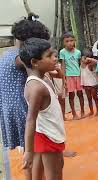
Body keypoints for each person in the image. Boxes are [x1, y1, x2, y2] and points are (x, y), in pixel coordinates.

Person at [0, 14, 50, 180]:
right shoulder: (22, 58)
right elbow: (38, 65)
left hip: (10, 107)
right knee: (33, 150)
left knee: (28, 148)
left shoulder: (8, 53)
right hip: (21, 108)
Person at [20, 38, 65, 180]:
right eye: (49, 56)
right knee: (55, 175)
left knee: (58, 167)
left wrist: (56, 69)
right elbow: (30, 119)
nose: (54, 58)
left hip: (50, 132)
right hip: (48, 136)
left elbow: (61, 76)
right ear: (34, 62)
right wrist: (28, 151)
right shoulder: (36, 87)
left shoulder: (43, 75)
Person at [60, 32, 87, 120]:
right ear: (63, 43)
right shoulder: (62, 52)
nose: (69, 43)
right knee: (71, 95)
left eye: (71, 41)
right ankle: (74, 114)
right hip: (69, 76)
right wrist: (63, 79)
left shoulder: (78, 52)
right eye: (67, 41)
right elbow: (63, 66)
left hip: (78, 75)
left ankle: (82, 112)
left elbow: (80, 64)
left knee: (80, 94)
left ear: (74, 41)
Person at [45, 50, 67, 121]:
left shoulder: (54, 68)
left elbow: (61, 76)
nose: (55, 59)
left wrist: (58, 69)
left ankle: (62, 116)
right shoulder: (46, 70)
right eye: (53, 57)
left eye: (56, 56)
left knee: (61, 101)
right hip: (52, 90)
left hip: (58, 87)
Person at [81, 49, 98, 116]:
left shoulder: (90, 65)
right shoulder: (81, 64)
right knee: (89, 98)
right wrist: (82, 84)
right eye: (85, 58)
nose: (87, 60)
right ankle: (91, 111)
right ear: (81, 57)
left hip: (92, 85)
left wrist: (90, 59)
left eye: (88, 58)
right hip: (86, 85)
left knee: (95, 97)